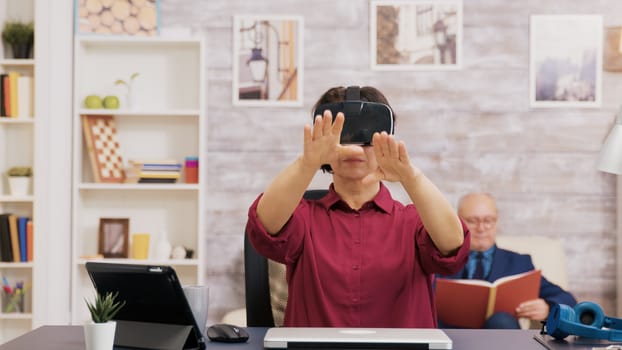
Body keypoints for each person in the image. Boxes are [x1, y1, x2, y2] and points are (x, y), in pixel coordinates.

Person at [245, 85, 470, 328]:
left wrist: (410, 177)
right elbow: (263, 226)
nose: (354, 148)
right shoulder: (303, 218)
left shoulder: (413, 222)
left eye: (366, 136)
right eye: (343, 137)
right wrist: (307, 162)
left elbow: (453, 246)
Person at [440, 192, 577, 329]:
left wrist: (548, 307)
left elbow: (567, 300)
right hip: (450, 335)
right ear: (458, 221)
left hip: (501, 335)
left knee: (501, 320)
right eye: (472, 221)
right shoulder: (438, 259)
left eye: (488, 220)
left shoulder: (519, 263)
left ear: (496, 221)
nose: (481, 228)